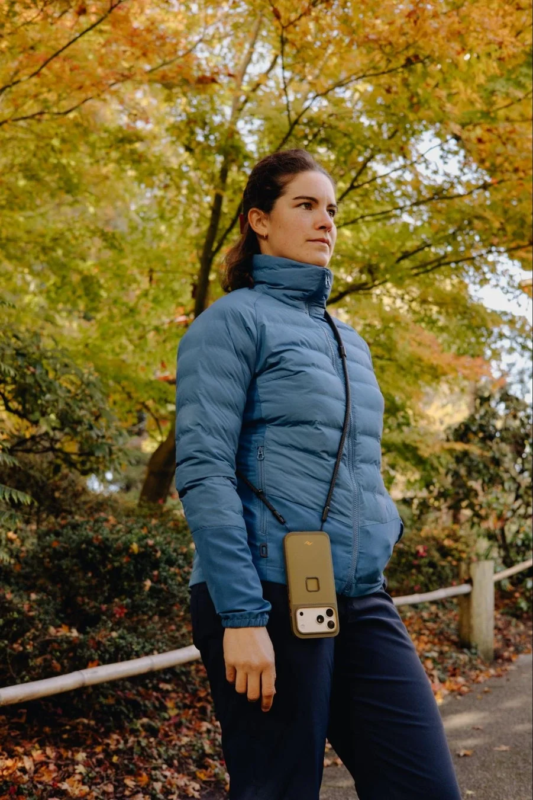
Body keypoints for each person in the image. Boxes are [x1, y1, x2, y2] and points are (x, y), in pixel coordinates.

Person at [175, 149, 461, 800]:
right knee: (278, 789)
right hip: (267, 593)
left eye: (331, 209)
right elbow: (204, 469)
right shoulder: (229, 324)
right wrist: (241, 616)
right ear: (259, 222)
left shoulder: (347, 342)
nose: (324, 221)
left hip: (357, 593)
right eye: (304, 205)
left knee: (425, 787)